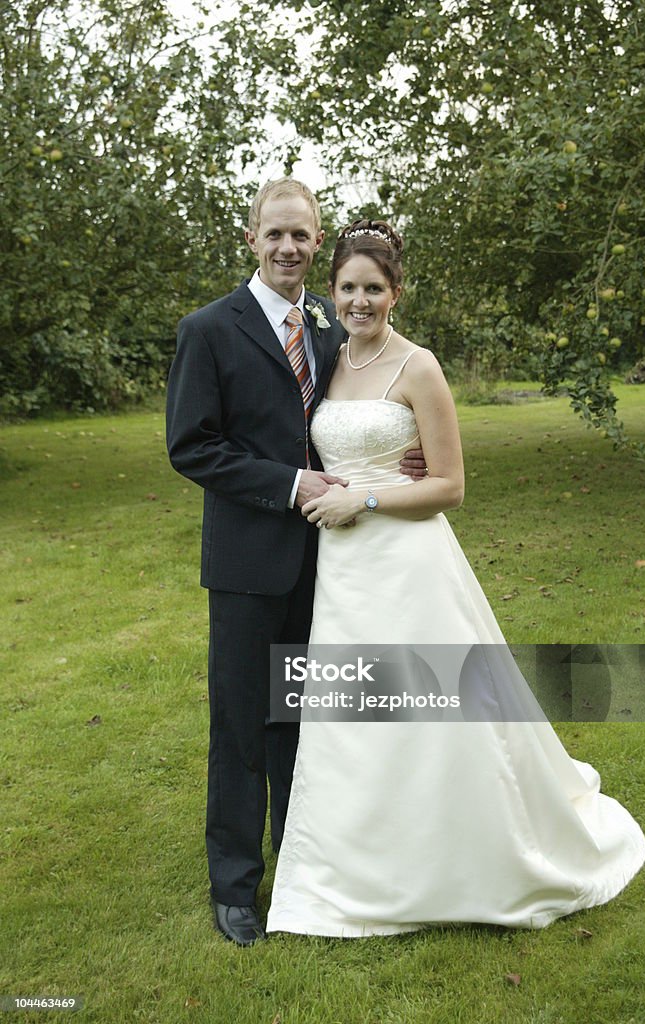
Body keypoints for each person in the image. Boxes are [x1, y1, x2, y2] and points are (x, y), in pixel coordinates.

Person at [265, 219, 645, 936]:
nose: (359, 301)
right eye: (347, 287)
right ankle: (352, 867)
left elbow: (449, 485)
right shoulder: (326, 358)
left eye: (373, 289)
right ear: (332, 291)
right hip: (343, 572)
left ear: (396, 294)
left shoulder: (420, 367)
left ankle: (464, 858)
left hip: (409, 562)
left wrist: (367, 495)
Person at [165, 182, 424, 946]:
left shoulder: (329, 325)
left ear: (317, 244)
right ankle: (236, 887)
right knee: (245, 725)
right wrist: (288, 484)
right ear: (251, 238)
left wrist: (384, 477)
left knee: (308, 722)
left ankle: (306, 866)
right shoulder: (209, 330)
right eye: (274, 234)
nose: (288, 248)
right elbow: (193, 447)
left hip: (334, 567)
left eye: (302, 236)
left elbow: (357, 419)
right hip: (248, 567)